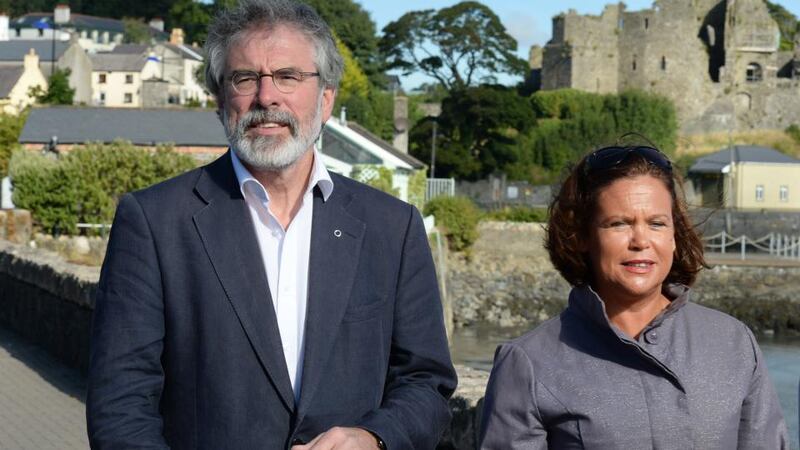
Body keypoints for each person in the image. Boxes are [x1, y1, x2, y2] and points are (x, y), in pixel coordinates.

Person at [85, 1, 456, 449]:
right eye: (245, 78)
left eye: (288, 76)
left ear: (326, 98)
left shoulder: (392, 227)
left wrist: (375, 438)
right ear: (220, 99)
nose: (266, 97)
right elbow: (121, 405)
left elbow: (426, 381)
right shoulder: (154, 221)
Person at [479, 143, 789, 449]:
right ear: (583, 236)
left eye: (656, 223)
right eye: (619, 224)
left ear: (674, 236)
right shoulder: (529, 364)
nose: (640, 240)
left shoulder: (734, 343)